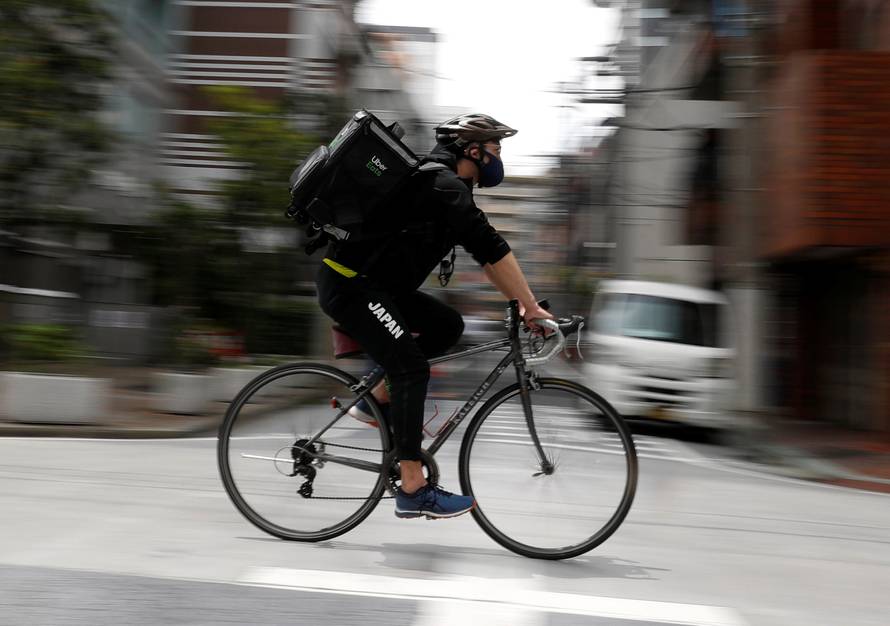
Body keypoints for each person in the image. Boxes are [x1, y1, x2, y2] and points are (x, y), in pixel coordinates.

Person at [315, 113, 553, 520]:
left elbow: (487, 256)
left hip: (377, 288)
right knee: (410, 368)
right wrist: (529, 306)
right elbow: (492, 248)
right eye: (496, 149)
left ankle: (376, 400)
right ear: (472, 151)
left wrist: (522, 302)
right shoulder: (441, 184)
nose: (499, 158)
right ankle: (412, 487)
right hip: (351, 285)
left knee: (447, 326)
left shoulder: (448, 188)